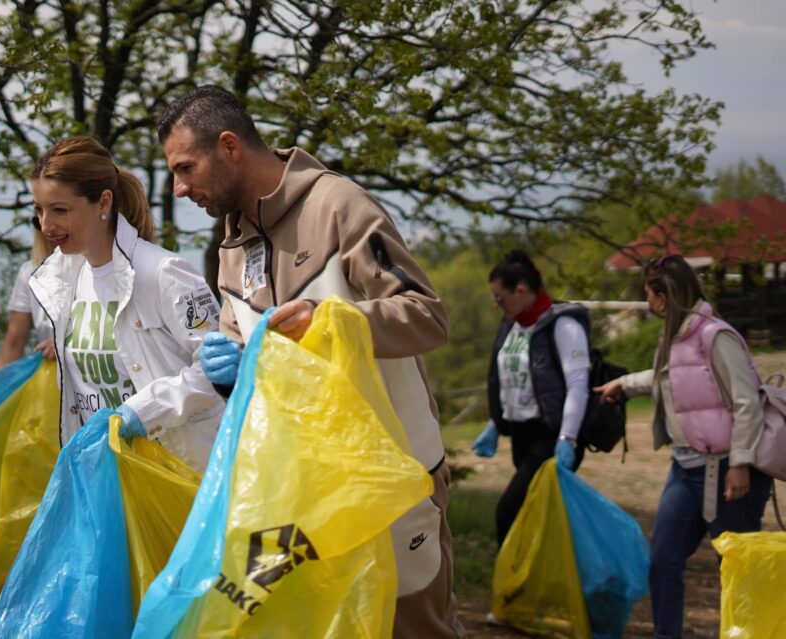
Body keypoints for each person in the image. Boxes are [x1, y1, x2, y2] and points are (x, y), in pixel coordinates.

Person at [158, 85, 464, 639]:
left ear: (228, 146)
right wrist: (228, 370)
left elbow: (427, 316)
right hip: (304, 497)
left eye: (185, 167)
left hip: (394, 478)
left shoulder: (338, 204)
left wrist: (330, 319)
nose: (179, 189)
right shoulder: (232, 245)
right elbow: (244, 351)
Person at [595, 254, 771, 639]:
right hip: (685, 469)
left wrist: (740, 463)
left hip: (729, 472)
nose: (646, 302)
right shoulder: (676, 335)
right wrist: (623, 385)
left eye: (648, 294)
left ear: (663, 295)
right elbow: (668, 378)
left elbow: (747, 401)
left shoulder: (715, 336)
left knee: (738, 569)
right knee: (663, 561)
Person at [27, 136, 224, 471]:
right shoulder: (62, 281)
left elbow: (216, 373)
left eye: (60, 210)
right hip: (110, 476)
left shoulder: (165, 273)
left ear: (103, 203)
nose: (46, 226)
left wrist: (143, 411)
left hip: (182, 477)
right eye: (39, 210)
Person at [471, 250, 590, 548]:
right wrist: (494, 425)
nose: (496, 304)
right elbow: (507, 379)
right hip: (520, 435)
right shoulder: (510, 327)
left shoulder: (562, 325)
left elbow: (578, 384)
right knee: (536, 517)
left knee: (507, 512)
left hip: (549, 436)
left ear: (521, 290)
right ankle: (543, 585)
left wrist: (567, 437)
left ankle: (511, 586)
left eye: (500, 298)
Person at [0, 222, 56, 369]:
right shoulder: (31, 272)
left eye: (60, 211)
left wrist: (72, 348)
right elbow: (14, 343)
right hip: (54, 381)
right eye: (38, 220)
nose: (48, 226)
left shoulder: (107, 267)